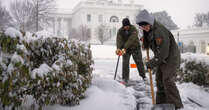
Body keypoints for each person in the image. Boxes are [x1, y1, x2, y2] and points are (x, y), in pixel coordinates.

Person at [136, 9, 183, 109]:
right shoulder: (149, 30)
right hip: (162, 58)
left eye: (145, 25)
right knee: (159, 81)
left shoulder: (159, 31)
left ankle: (177, 106)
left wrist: (151, 63)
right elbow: (151, 46)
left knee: (168, 81)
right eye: (142, 26)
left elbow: (163, 53)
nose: (144, 28)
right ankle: (161, 105)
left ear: (149, 22)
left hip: (170, 58)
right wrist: (145, 41)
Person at [116, 18, 146, 82]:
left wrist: (124, 48)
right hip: (126, 49)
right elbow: (119, 40)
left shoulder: (133, 29)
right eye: (125, 26)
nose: (126, 27)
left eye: (127, 26)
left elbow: (131, 39)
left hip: (135, 48)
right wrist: (118, 48)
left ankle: (143, 76)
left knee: (139, 62)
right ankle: (125, 78)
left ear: (129, 25)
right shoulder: (120, 31)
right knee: (125, 63)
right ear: (123, 26)